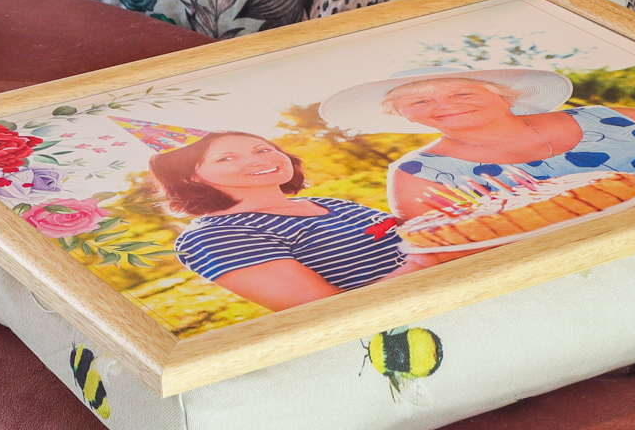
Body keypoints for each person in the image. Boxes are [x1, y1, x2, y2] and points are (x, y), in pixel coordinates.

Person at [318, 67, 635, 225]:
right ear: (403, 115)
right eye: (419, 101)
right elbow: (447, 252)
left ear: (505, 94)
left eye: (462, 93)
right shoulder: (416, 176)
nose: (443, 106)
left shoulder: (607, 116)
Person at [151, 131, 428, 309]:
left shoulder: (330, 204)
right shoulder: (214, 236)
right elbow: (325, 311)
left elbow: (418, 239)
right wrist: (427, 262)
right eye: (226, 158)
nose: (259, 160)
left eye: (262, 149)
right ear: (189, 177)